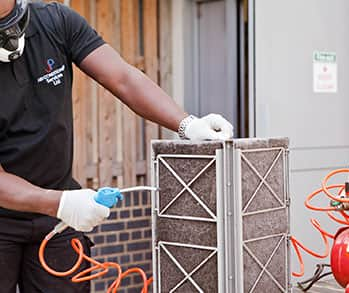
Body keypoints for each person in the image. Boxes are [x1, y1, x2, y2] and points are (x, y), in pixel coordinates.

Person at [0, 0, 233, 292]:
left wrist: (187, 125)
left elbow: (123, 78)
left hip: (57, 216)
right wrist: (61, 203)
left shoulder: (55, 21)